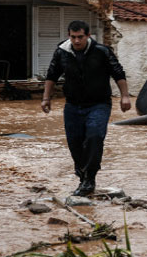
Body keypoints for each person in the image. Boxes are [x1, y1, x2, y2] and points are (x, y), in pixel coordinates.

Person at [41, 20, 131, 196]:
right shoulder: (62, 52)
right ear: (69, 36)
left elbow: (118, 73)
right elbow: (52, 75)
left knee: (94, 137)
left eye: (80, 37)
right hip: (73, 105)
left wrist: (125, 96)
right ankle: (82, 177)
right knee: (75, 142)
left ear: (88, 36)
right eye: (73, 37)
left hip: (99, 104)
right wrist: (46, 98)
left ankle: (90, 178)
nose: (76, 41)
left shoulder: (102, 51)